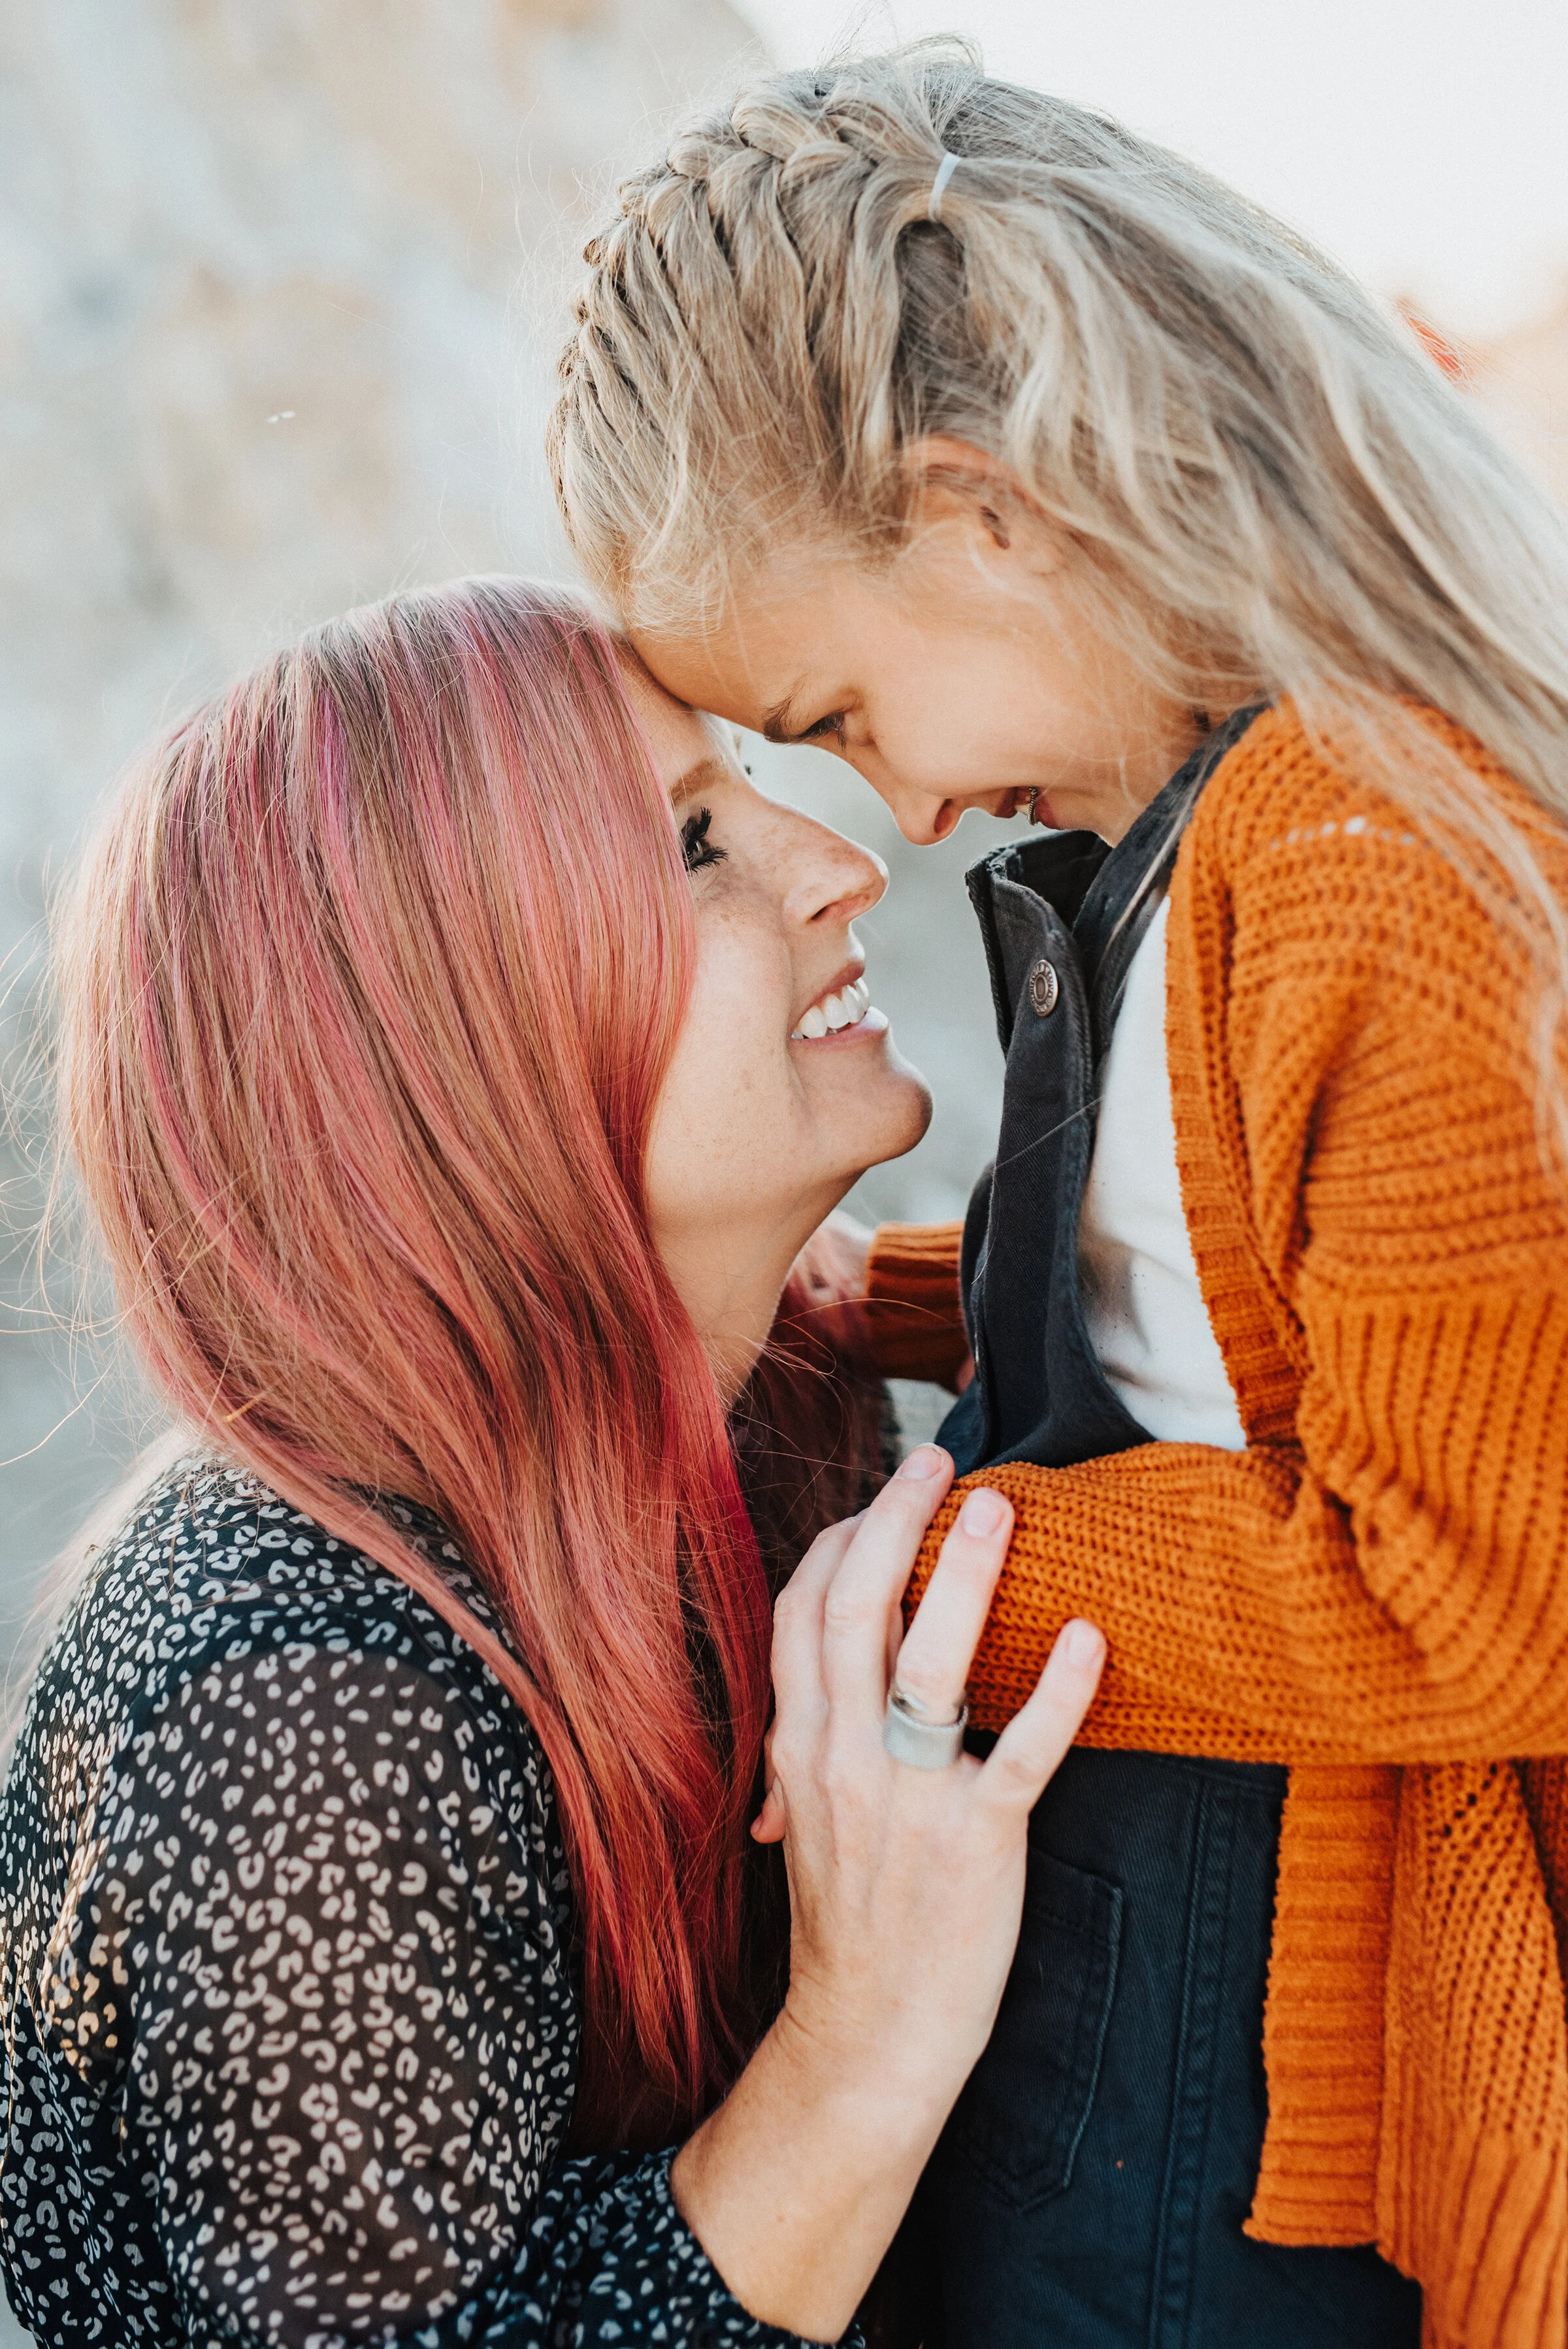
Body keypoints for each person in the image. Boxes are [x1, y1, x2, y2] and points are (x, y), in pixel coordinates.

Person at [549, 45, 1568, 2349]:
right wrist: (859, 1307)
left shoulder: (1371, 848)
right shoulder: (1224, 824)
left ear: (984, 510)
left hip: (1241, 2046)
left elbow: (1464, 1591)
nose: (900, 819)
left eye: (839, 709)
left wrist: (878, 1592)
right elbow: (1187, 1302)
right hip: (1135, 1936)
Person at [0, 576, 1107, 2348]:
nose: (840, 867)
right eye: (691, 849)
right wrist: (863, 2043)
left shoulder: (784, 1404)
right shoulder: (305, 1698)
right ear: (443, 1052)